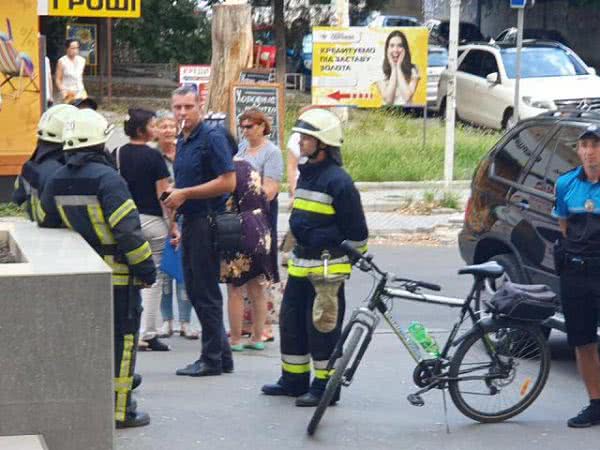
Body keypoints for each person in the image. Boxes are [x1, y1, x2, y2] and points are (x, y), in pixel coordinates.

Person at [40, 109, 156, 428]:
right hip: (117, 277)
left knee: (84, 344)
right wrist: (146, 270)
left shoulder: (56, 180)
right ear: (99, 143)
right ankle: (120, 412)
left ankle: (85, 406)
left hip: (77, 278)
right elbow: (128, 232)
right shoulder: (109, 180)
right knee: (122, 343)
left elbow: (46, 223)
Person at [261, 108, 368, 406]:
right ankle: (294, 380)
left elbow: (358, 233)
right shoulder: (308, 174)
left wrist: (344, 264)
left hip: (326, 271)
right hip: (299, 265)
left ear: (323, 143)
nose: (301, 142)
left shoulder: (339, 182)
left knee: (323, 329)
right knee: (292, 324)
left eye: (307, 138)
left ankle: (325, 387)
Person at [164, 86, 236, 377]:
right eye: (177, 107)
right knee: (195, 289)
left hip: (208, 221)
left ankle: (211, 359)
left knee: (205, 291)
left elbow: (228, 182)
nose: (182, 113)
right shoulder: (183, 139)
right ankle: (222, 355)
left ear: (200, 106)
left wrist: (185, 193)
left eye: (188, 107)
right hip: (190, 222)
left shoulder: (212, 138)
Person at [553, 124, 600, 428]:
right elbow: (564, 228)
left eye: (595, 145)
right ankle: (596, 404)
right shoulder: (565, 184)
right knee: (582, 342)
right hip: (577, 272)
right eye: (584, 145)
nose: (588, 151)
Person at [114, 108, 172, 352]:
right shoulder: (154, 157)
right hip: (153, 222)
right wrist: (173, 224)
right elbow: (164, 195)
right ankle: (148, 333)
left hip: (126, 220)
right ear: (142, 130)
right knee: (154, 277)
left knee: (127, 275)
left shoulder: (116, 154)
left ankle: (129, 327)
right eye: (152, 125)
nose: (156, 129)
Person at [233, 109, 284, 344]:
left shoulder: (271, 152)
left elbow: (271, 189)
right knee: (240, 274)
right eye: (242, 126)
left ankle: (263, 327)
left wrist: (248, 193)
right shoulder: (241, 149)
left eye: (250, 126)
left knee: (262, 273)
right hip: (239, 214)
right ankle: (242, 325)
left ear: (263, 126)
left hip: (262, 215)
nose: (245, 130)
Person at [221, 156, 275, 351]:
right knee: (257, 288)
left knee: (235, 289)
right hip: (260, 227)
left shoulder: (227, 169)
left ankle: (235, 339)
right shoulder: (249, 166)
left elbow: (225, 199)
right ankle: (257, 337)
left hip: (237, 228)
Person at [154, 110, 199, 340]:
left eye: (172, 126)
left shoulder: (185, 152)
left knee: (184, 272)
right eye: (164, 126)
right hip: (161, 218)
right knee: (164, 274)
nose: (169, 130)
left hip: (185, 215)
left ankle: (185, 322)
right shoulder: (153, 157)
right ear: (156, 130)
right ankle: (166, 321)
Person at [12, 104, 78, 223]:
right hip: (58, 234)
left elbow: (18, 197)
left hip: (36, 227)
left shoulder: (31, 164)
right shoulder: (59, 172)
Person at [375, 30, 419, 106]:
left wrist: (398, 67)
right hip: (386, 113)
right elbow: (389, 100)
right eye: (392, 46)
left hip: (408, 113)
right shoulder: (379, 69)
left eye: (400, 46)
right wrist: (393, 68)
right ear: (387, 49)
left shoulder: (413, 69)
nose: (395, 50)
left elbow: (407, 97)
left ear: (405, 49)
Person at [55, 39, 87, 103]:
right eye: (73, 48)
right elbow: (58, 79)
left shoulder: (82, 60)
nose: (75, 50)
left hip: (80, 91)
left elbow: (80, 76)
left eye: (77, 48)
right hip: (68, 93)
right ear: (67, 49)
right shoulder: (62, 61)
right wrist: (63, 91)